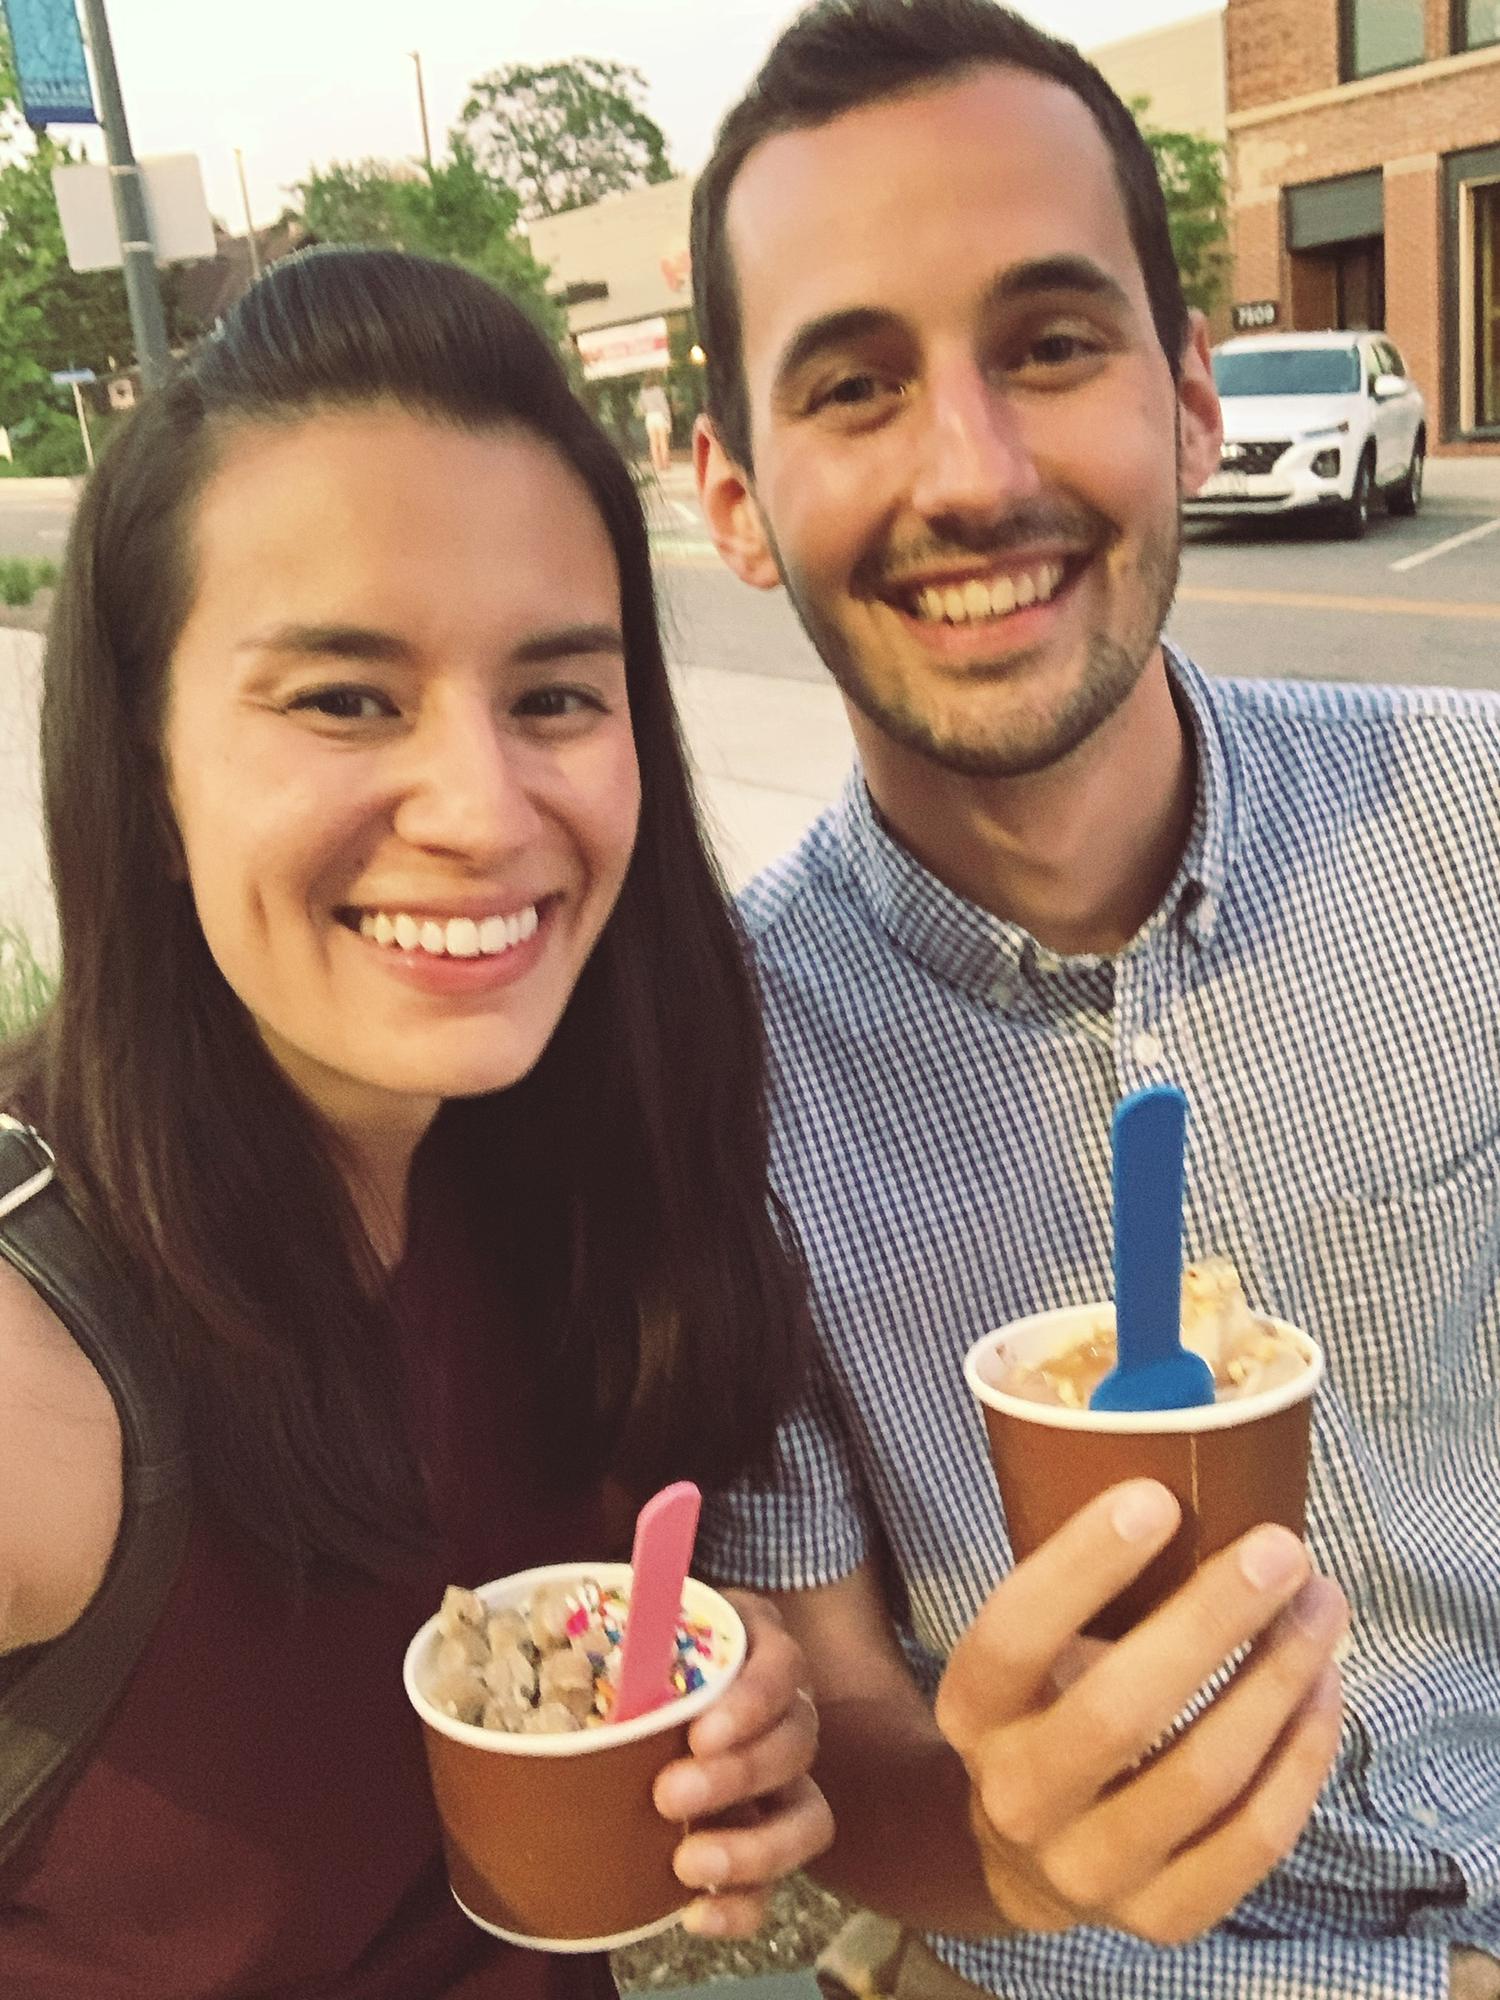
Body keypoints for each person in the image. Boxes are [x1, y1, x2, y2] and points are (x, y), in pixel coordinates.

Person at [667, 2, 1500, 1997]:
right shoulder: (711, 1092)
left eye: (1050, 345)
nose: (974, 473)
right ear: (734, 495)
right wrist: (1006, 1845)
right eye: (854, 386)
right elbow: (849, 1738)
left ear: (1190, 397)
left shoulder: (1474, 831)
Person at [0, 247, 832, 1997]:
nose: (481, 807)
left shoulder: (560, 1169)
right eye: (345, 699)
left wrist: (733, 1690)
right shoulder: (38, 1369)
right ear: (146, 765)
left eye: (555, 696)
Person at [637, 381, 674, 473]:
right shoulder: (659, 391)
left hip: (649, 417)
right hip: (660, 416)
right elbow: (664, 406)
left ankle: (657, 465)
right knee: (663, 442)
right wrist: (668, 421)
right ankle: (665, 464)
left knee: (653, 443)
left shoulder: (642, 392)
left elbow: (641, 408)